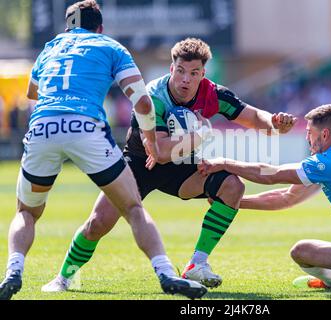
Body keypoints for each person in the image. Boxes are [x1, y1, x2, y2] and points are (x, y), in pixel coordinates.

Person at [42, 37, 297, 291]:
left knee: (232, 186)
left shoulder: (212, 94)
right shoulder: (153, 96)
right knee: (98, 223)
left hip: (183, 167)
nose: (186, 79)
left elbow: (253, 117)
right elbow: (160, 152)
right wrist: (201, 134)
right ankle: (65, 276)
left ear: (202, 74)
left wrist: (276, 122)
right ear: (171, 69)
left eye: (194, 73)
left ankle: (197, 265)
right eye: (181, 71)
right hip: (139, 165)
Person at [0, 0, 207, 300]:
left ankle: (13, 271)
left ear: (67, 26)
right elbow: (144, 103)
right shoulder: (110, 47)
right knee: (133, 207)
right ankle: (165, 273)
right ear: (100, 27)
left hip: (43, 126)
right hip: (85, 128)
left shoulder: (50, 47)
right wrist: (150, 137)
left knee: (27, 212)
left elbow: (33, 92)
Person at [198, 104, 331, 289]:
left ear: (324, 134)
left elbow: (271, 175)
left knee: (300, 252)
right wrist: (238, 203)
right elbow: (286, 198)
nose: (307, 139)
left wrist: (225, 163)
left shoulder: (326, 164)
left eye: (309, 134)